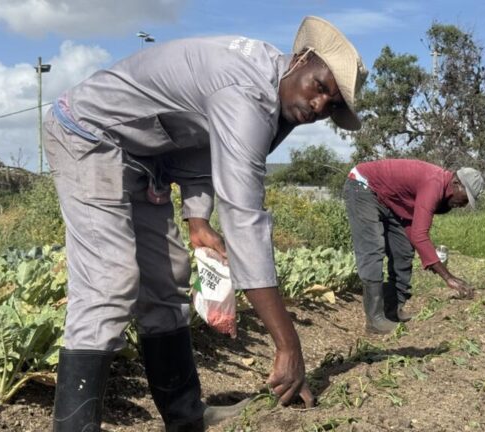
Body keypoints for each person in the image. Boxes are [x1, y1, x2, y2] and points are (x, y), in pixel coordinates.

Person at [43, 16, 367, 431]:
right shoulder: (245, 91)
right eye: (320, 87)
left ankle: (185, 417)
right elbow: (244, 217)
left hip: (147, 156)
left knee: (168, 280)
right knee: (109, 281)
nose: (320, 106)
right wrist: (289, 345)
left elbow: (201, 150)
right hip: (89, 134)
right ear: (301, 59)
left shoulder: (275, 98)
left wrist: (197, 219)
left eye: (333, 105)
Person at [342, 159, 483, 334]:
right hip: (363, 186)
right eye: (465, 197)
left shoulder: (441, 188)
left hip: (388, 200)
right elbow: (420, 236)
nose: (464, 204)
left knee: (403, 248)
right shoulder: (434, 183)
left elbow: (414, 232)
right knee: (373, 249)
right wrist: (448, 278)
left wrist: (431, 260)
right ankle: (375, 320)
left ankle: (393, 310)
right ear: (456, 183)